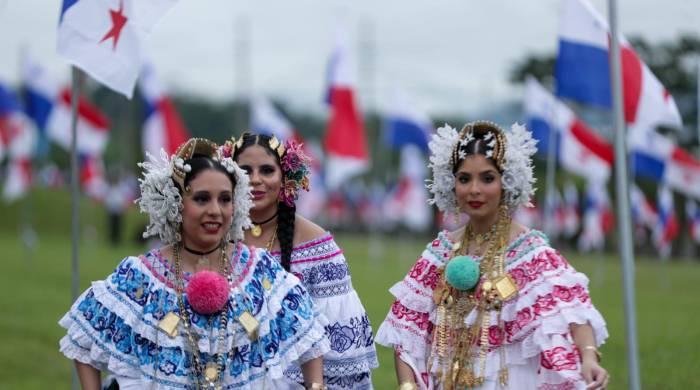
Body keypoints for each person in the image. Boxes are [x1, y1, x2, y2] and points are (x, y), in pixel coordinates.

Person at [59, 138, 331, 390]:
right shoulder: (141, 275)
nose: (215, 210)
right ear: (176, 203)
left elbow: (309, 335)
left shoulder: (258, 269)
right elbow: (82, 342)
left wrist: (315, 387)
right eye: (202, 198)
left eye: (225, 199)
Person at [376, 121, 609, 390]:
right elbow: (406, 331)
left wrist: (589, 357)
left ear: (507, 183)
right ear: (451, 184)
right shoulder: (439, 253)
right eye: (464, 179)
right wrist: (408, 386)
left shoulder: (529, 252)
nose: (474, 189)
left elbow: (571, 313)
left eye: (487, 178)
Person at [226, 132, 378, 389]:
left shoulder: (316, 244)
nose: (255, 180)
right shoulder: (214, 237)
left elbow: (336, 345)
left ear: (285, 177)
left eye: (266, 170)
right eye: (244, 171)